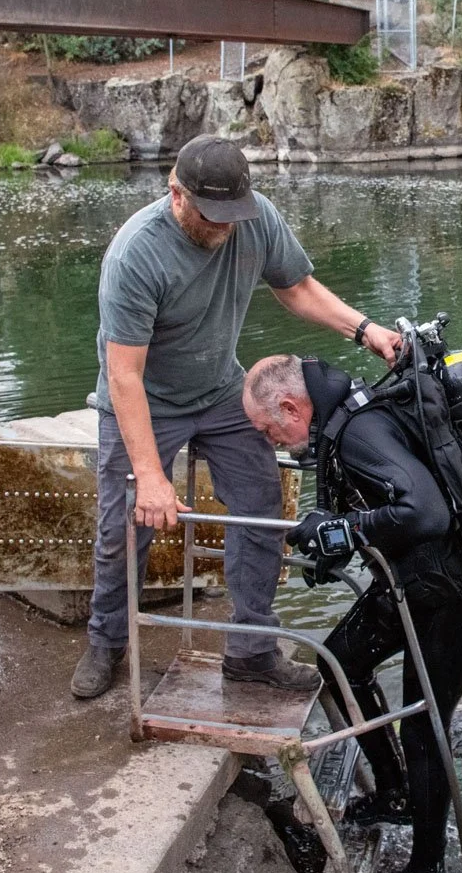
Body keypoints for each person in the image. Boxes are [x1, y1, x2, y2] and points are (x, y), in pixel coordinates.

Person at [70, 134, 402, 700]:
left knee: (261, 505)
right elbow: (124, 375)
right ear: (176, 194)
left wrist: (366, 331)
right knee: (125, 522)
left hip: (221, 387)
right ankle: (107, 641)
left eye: (233, 214)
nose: (224, 226)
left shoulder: (256, 217)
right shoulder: (137, 254)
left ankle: (251, 651)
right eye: (211, 215)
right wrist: (151, 476)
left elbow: (295, 287)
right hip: (145, 396)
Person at [242, 353, 462, 873]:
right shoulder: (343, 423)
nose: (274, 442)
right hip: (421, 578)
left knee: (425, 727)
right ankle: (395, 791)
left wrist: (345, 529)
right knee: (340, 662)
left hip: (456, 590)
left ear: (292, 407)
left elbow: (426, 513)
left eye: (270, 430)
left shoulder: (359, 431)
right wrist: (334, 541)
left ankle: (426, 869)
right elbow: (388, 510)